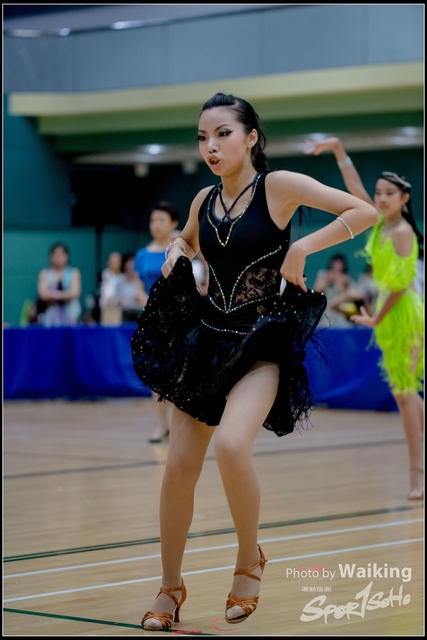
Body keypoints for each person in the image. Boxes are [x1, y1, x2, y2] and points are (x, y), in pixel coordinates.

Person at [131, 93, 378, 630]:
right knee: (178, 470)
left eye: (223, 134)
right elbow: (187, 241)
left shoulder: (279, 186)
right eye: (203, 137)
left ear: (250, 137)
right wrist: (176, 249)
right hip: (208, 342)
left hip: (262, 343)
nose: (211, 146)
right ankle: (170, 587)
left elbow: (364, 211)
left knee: (232, 446)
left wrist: (303, 246)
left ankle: (249, 559)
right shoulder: (204, 198)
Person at [305, 136, 424, 500]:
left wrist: (375, 319)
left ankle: (417, 474)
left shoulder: (402, 232)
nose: (381, 198)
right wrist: (338, 150)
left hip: (407, 315)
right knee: (405, 393)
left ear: (404, 198)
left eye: (390, 193)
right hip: (388, 315)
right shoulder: (379, 224)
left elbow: (401, 287)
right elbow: (354, 189)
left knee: (404, 393)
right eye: (379, 192)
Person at [134, 202, 180, 443]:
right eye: (153, 220)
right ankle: (162, 426)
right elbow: (138, 287)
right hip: (153, 320)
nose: (156, 225)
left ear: (174, 223)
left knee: (179, 373)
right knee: (157, 373)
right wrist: (150, 306)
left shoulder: (179, 249)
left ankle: (180, 427)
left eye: (162, 220)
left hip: (178, 318)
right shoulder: (142, 254)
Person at [313, 253, 365, 326]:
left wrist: (343, 284)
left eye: (340, 264)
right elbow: (316, 292)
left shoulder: (346, 278)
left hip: (340, 314)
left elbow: (349, 297)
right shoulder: (324, 275)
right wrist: (327, 280)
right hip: (325, 315)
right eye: (335, 263)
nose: (337, 266)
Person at [37, 243, 82, 327]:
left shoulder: (74, 272)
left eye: (61, 254)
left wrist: (53, 295)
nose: (58, 257)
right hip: (50, 316)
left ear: (66, 256)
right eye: (56, 254)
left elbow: (75, 293)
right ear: (51, 256)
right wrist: (65, 294)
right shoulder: (45, 273)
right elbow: (43, 294)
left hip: (71, 316)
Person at [114, 253, 145, 322]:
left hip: (138, 312)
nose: (131, 265)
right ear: (124, 264)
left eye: (133, 263)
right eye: (129, 263)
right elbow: (117, 300)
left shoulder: (140, 279)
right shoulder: (119, 279)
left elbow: (142, 298)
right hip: (123, 313)